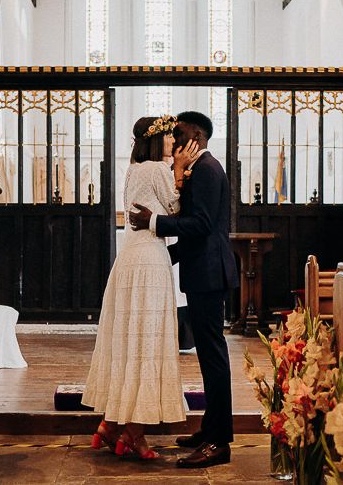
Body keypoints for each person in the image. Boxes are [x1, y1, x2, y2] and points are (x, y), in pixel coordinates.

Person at [82, 115, 197, 460]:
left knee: (130, 340)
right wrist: (179, 171)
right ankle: (134, 435)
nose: (171, 141)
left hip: (129, 259)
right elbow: (176, 211)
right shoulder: (157, 169)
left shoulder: (133, 168)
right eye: (166, 136)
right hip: (149, 261)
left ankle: (112, 425)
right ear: (154, 139)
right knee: (148, 341)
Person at [130, 111, 238, 469]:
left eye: (178, 135)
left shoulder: (207, 169)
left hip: (209, 273)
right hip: (202, 270)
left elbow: (202, 224)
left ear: (196, 135)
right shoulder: (201, 168)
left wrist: (154, 223)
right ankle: (209, 429)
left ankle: (219, 442)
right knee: (208, 357)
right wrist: (162, 253)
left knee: (214, 358)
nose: (173, 142)